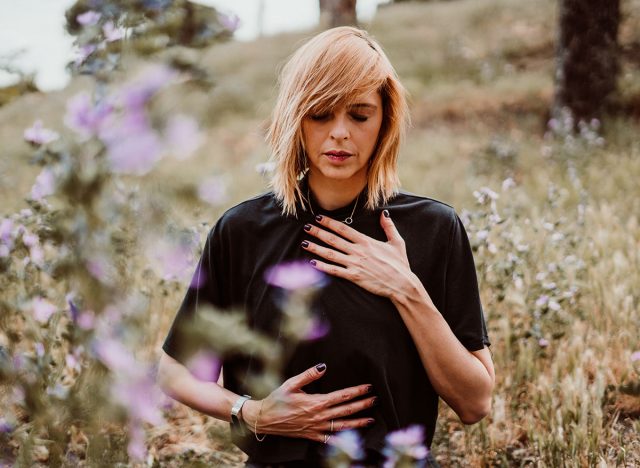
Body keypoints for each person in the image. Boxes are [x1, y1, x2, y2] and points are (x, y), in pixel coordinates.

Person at [157, 26, 494, 467]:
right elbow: (175, 371)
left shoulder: (433, 228)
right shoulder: (241, 231)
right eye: (320, 114)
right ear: (295, 118)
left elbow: (475, 402)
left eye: (359, 115)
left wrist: (404, 288)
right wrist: (252, 412)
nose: (339, 134)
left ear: (385, 120)